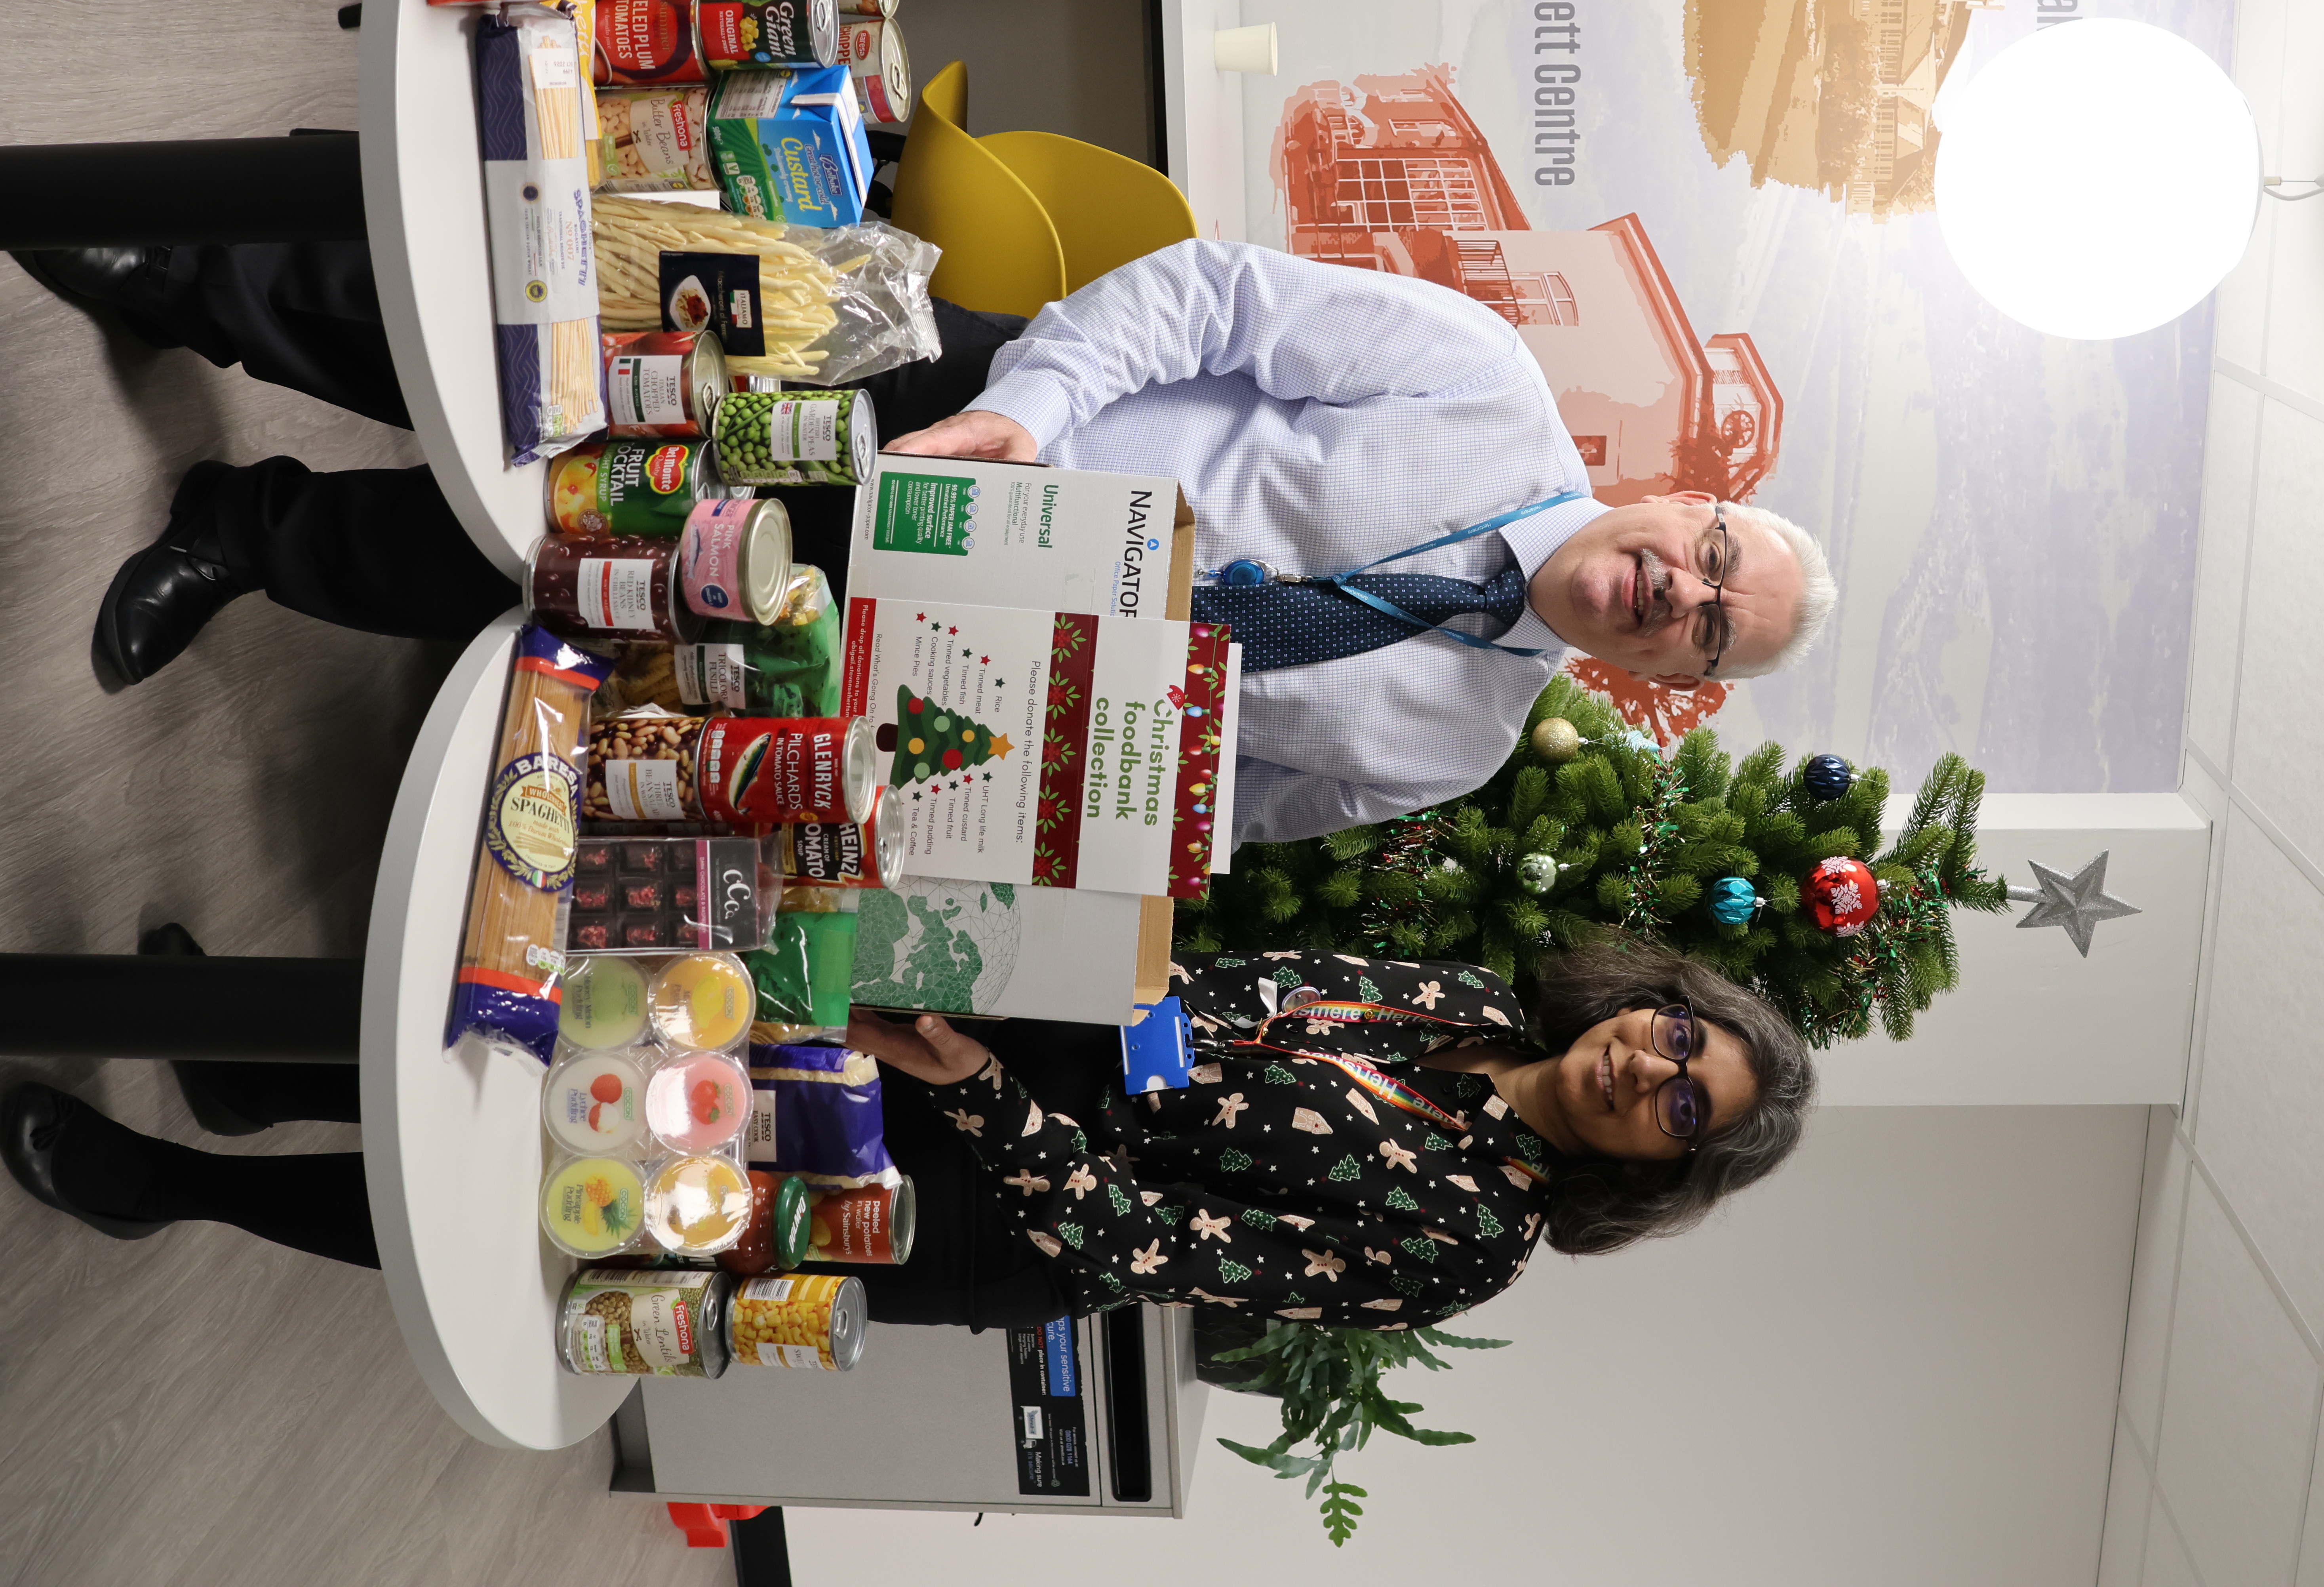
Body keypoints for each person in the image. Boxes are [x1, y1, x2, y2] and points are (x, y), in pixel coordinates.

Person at [17, 237, 1835, 842]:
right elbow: (1207, 298)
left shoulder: (1458, 751)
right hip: (973, 412)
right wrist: (1022, 418)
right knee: (589, 369)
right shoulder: (1483, 382)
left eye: (1703, 630)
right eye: (1712, 551)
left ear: (1670, 681)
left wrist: (1020, 774)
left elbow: (1205, 802)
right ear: (1688, 493)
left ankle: (252, 537)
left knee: (586, 569)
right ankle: (201, 287)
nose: (1679, 590)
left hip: (946, 637)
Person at [3, 940, 1816, 1331]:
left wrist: (977, 1090)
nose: (1651, 1069)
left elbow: (1158, 1250)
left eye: (1683, 1107)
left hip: (1000, 1201)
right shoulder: (1463, 1004)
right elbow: (1207, 975)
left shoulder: (1468, 1240)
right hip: (1015, 1044)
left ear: (1655, 1168)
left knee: (630, 1202)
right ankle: (269, 1073)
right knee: (635, 1055)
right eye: (1682, 1036)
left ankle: (176, 1187)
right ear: (1652, 997)